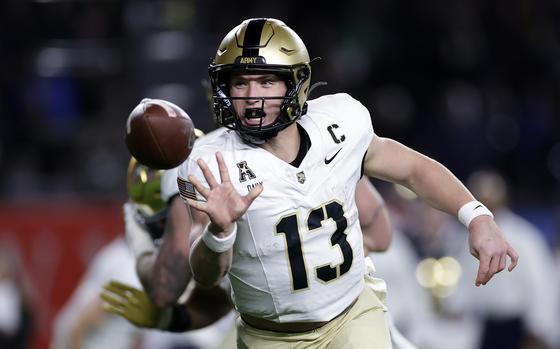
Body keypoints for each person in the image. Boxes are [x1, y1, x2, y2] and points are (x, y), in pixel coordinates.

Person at [148, 18, 518, 348]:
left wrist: (477, 217)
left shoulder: (339, 123)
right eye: (240, 83)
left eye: (266, 81)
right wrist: (219, 231)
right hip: (270, 336)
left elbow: (413, 170)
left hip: (354, 314)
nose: (251, 97)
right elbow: (206, 274)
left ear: (297, 84)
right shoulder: (209, 161)